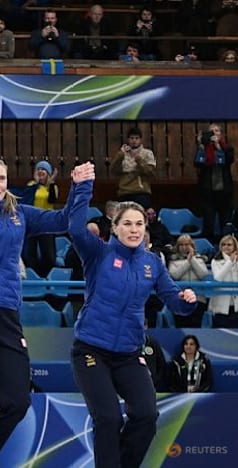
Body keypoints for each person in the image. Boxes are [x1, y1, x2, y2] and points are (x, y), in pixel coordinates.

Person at [0, 119, 93, 466]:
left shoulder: (19, 213)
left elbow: (63, 223)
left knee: (17, 400)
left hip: (7, 316)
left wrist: (81, 187)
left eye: (1, 178)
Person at [67, 178, 198, 468]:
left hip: (128, 354)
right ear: (113, 227)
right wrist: (81, 188)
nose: (134, 229)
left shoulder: (152, 263)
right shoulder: (98, 253)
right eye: (127, 224)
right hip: (91, 351)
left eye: (139, 224)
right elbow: (75, 228)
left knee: (146, 416)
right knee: (109, 418)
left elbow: (174, 301)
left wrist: (186, 301)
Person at [14, 160, 59, 277]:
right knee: (30, 253)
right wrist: (36, 184)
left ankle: (45, 276)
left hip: (47, 223)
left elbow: (52, 200)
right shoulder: (31, 185)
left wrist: (51, 183)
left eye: (43, 169)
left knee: (49, 255)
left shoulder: (52, 187)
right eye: (38, 169)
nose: (40, 171)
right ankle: (34, 276)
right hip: (32, 222)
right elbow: (25, 198)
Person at [194, 124, 234, 239]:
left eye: (217, 131)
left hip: (224, 192)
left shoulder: (227, 148)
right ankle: (209, 247)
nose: (214, 134)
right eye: (211, 132)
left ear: (221, 134)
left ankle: (225, 247)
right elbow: (197, 163)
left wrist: (218, 146)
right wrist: (201, 146)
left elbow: (228, 160)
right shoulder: (203, 150)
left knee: (225, 222)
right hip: (208, 192)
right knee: (209, 223)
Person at [168, 234, 209, 327]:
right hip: (180, 300)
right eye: (181, 245)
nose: (184, 247)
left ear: (192, 246)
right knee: (181, 326)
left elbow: (203, 274)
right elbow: (175, 275)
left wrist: (192, 259)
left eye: (187, 244)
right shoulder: (173, 260)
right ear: (177, 246)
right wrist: (188, 261)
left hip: (198, 299)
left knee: (196, 327)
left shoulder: (199, 259)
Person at [110, 127, 156, 209]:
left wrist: (137, 158)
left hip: (141, 192)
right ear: (128, 139)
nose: (134, 141)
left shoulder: (147, 153)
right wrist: (120, 155)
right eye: (131, 138)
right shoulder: (122, 153)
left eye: (136, 138)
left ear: (140, 139)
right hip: (124, 192)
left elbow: (150, 172)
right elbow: (114, 170)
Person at [209, 234, 238, 327]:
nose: (226, 247)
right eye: (223, 244)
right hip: (221, 306)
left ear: (235, 246)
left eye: (229, 244)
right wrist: (230, 262)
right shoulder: (215, 261)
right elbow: (218, 278)